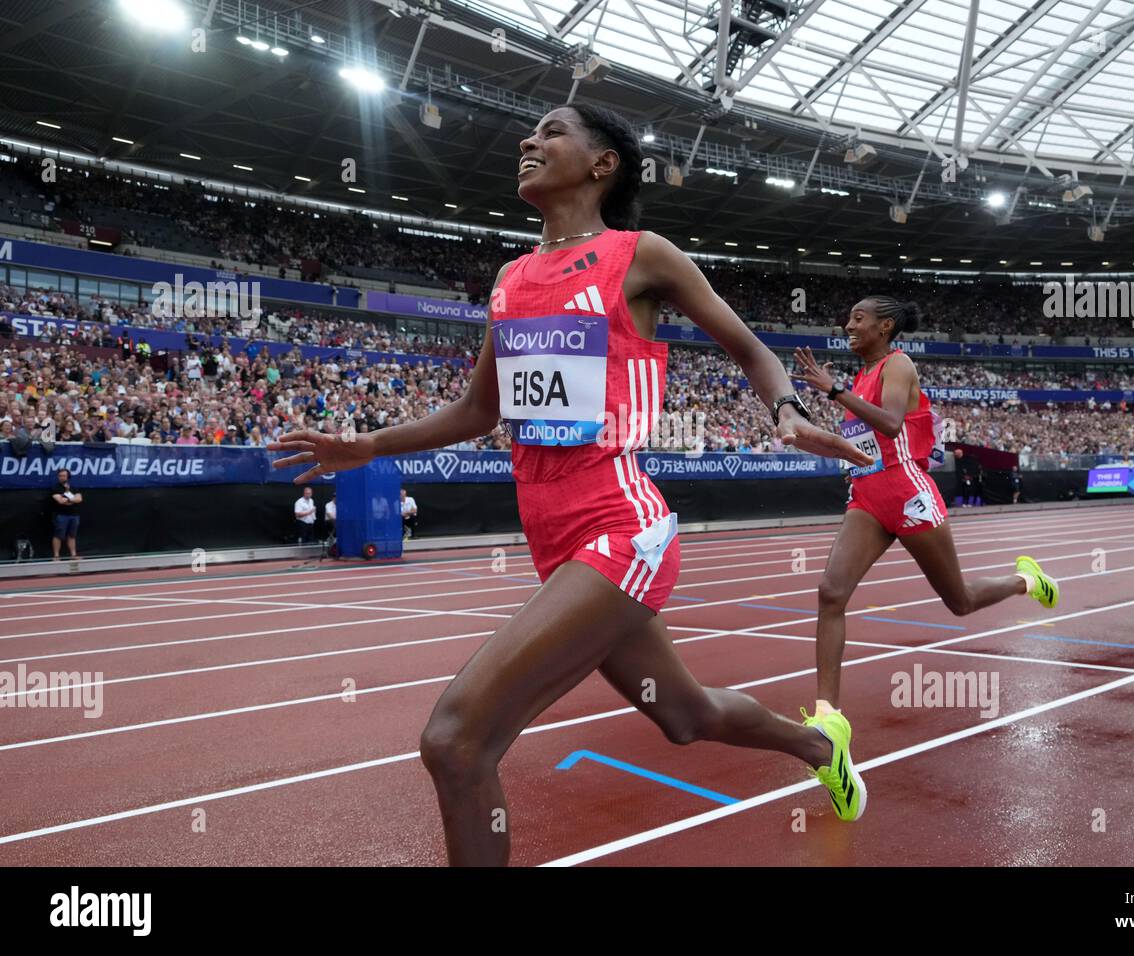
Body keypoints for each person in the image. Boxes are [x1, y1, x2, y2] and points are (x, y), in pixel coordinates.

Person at [270, 102, 872, 865]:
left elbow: (751, 349)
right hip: (553, 542)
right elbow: (479, 409)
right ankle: (820, 747)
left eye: (553, 131)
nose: (529, 139)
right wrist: (369, 446)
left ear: (602, 164)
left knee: (456, 742)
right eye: (530, 132)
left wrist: (784, 412)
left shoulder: (641, 254)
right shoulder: (512, 277)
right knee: (683, 716)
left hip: (620, 526)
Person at [792, 297, 1060, 726]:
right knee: (831, 592)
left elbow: (893, 423)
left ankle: (1026, 580)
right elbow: (863, 444)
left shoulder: (897, 366)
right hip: (867, 497)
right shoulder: (860, 377)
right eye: (848, 318)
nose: (848, 325)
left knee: (960, 601)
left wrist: (834, 390)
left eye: (857, 319)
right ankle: (828, 715)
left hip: (907, 492)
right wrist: (813, 439)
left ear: (885, 327)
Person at [50, 468, 82, 559]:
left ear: (68, 477)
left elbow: (79, 499)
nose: (62, 477)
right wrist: (72, 499)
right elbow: (60, 500)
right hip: (61, 515)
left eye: (64, 476)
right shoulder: (55, 488)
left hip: (74, 515)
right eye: (60, 476)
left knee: (72, 535)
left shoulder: (74, 487)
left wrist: (67, 499)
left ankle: (73, 555)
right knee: (58, 535)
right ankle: (56, 556)